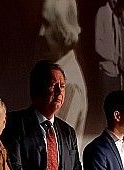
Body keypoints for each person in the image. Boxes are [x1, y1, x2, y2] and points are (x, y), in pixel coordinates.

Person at [39, 0, 87, 147]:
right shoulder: (58, 73)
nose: (41, 32)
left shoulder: (70, 84)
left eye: (46, 24)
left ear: (63, 31)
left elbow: (58, 149)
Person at [94, 0, 120, 107]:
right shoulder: (102, 12)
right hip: (105, 72)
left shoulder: (115, 18)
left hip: (115, 72)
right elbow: (98, 45)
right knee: (104, 109)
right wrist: (112, 57)